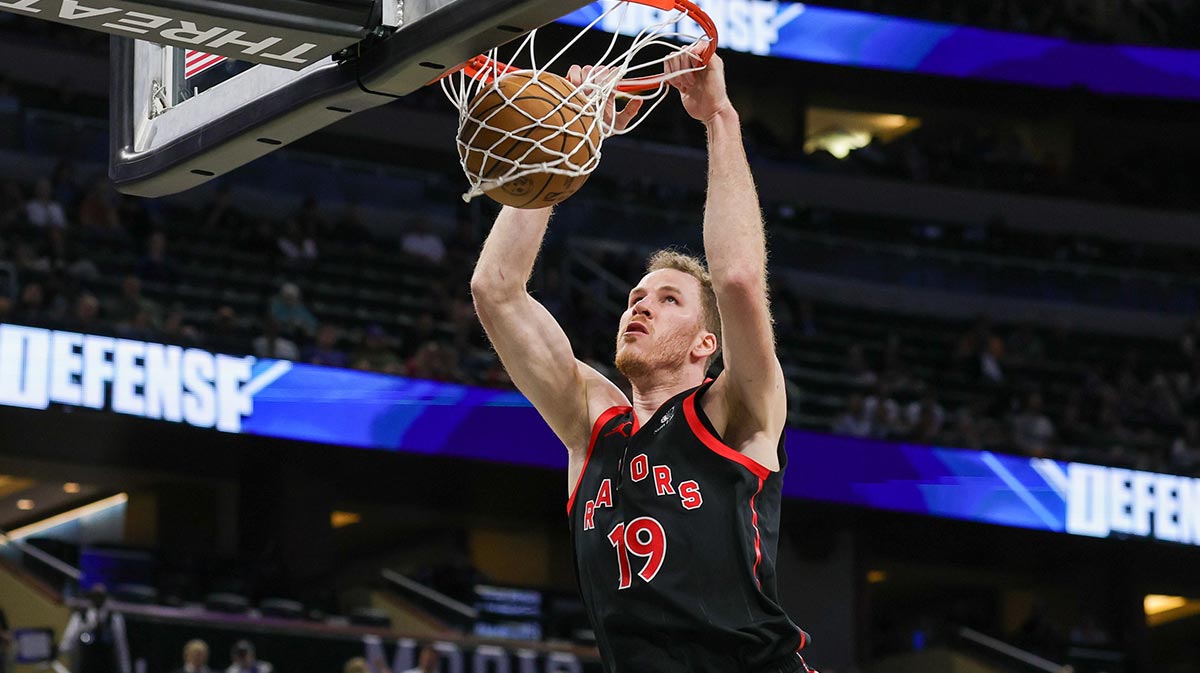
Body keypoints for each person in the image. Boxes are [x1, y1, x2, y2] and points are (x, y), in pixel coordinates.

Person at [470, 50, 812, 673]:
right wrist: (567, 140)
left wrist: (719, 119)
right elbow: (496, 291)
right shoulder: (593, 424)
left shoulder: (736, 412)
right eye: (635, 297)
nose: (640, 306)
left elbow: (736, 278)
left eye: (668, 299)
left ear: (707, 345)